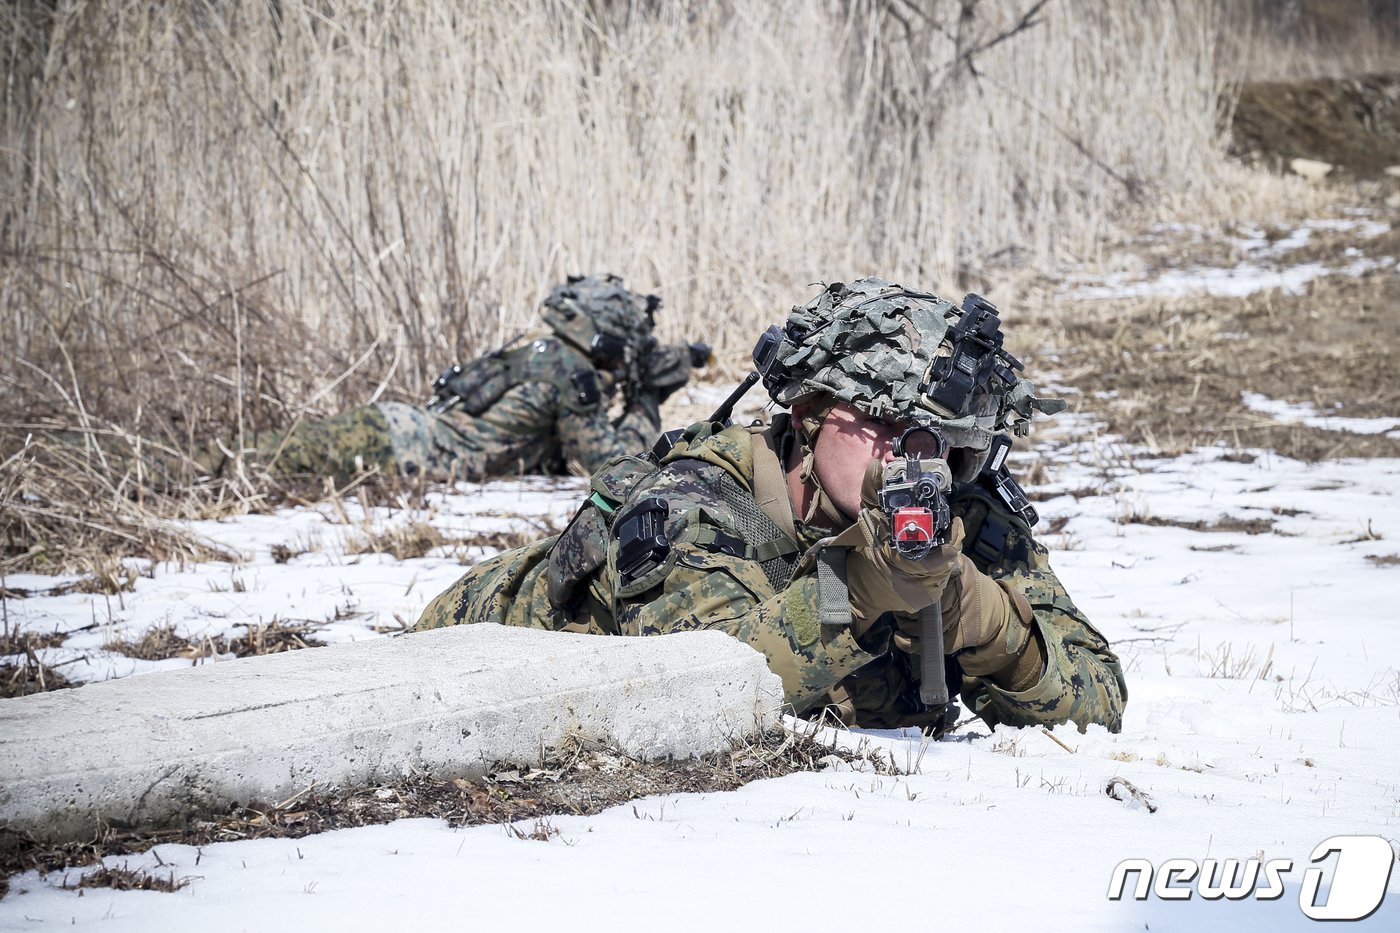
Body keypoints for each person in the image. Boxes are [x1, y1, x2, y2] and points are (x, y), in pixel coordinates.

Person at [416, 277, 1126, 736]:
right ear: (813, 410)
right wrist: (855, 590)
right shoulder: (699, 501)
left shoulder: (952, 511)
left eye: (941, 441)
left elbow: (1101, 695)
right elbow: (693, 690)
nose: (913, 458)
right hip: (449, 671)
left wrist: (989, 623)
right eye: (886, 423)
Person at [219, 274, 706, 483]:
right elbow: (611, 464)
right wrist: (647, 401)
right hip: (403, 448)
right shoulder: (572, 373)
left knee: (256, 454)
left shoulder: (542, 350)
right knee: (251, 461)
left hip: (394, 431)